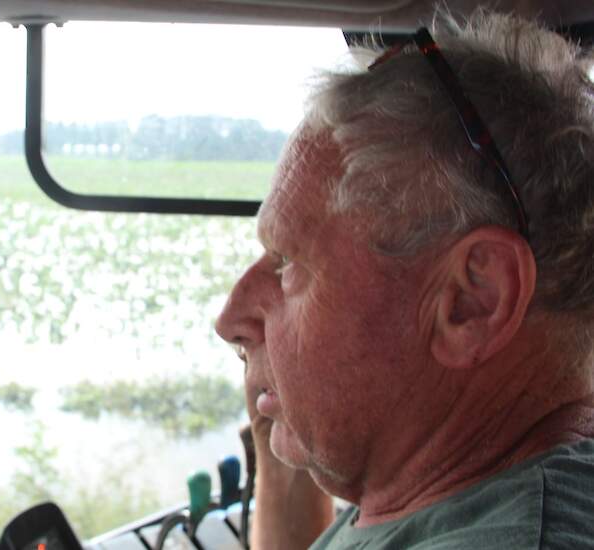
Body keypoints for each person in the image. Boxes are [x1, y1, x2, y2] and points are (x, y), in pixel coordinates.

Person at [215, 9, 594, 549]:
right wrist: (293, 417)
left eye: (288, 264)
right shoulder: (432, 485)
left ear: (472, 302)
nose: (228, 320)